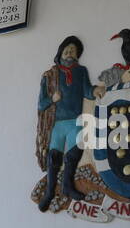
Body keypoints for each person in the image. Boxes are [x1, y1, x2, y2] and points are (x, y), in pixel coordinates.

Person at [37, 35, 106, 211]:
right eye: (67, 50)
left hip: (75, 119)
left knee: (77, 149)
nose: (69, 53)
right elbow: (41, 103)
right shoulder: (50, 75)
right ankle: (50, 192)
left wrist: (95, 90)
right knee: (54, 157)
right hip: (57, 123)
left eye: (73, 51)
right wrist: (52, 98)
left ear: (77, 55)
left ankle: (67, 185)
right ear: (61, 52)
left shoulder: (81, 71)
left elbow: (87, 90)